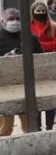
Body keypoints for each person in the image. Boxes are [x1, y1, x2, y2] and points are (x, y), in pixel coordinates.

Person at [0, 8, 43, 136]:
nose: (15, 22)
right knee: (4, 129)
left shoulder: (31, 38)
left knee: (30, 127)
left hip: (27, 87)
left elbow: (42, 59)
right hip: (4, 88)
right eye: (11, 19)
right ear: (3, 21)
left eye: (18, 19)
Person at [30, 2, 56, 131]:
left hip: (49, 65)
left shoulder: (53, 26)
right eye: (38, 11)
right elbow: (27, 44)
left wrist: (39, 44)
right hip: (34, 65)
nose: (41, 13)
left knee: (49, 98)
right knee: (36, 98)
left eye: (43, 10)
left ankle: (49, 127)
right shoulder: (29, 26)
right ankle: (37, 126)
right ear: (33, 12)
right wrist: (45, 44)